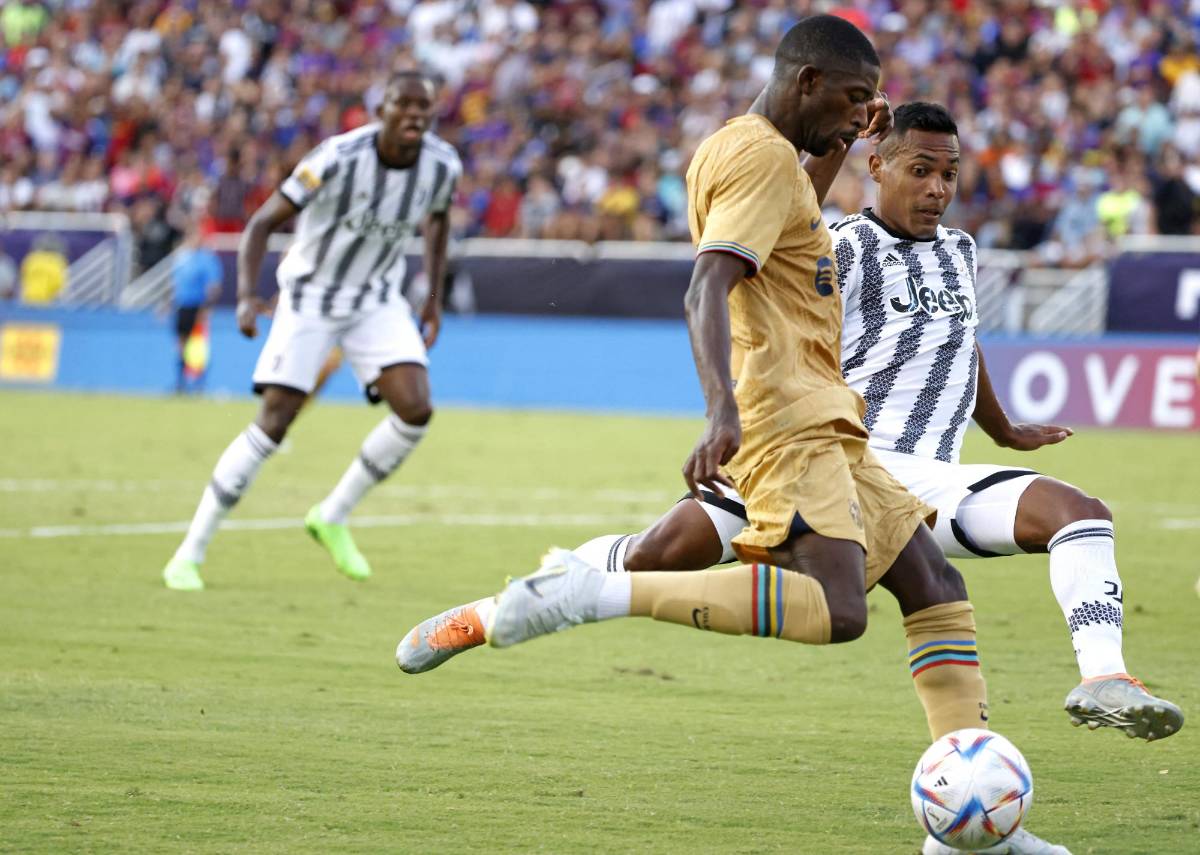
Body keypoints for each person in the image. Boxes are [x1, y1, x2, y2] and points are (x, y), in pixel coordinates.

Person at [397, 22, 1068, 855]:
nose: (866, 120)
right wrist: (722, 409)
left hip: (827, 415)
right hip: (787, 415)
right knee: (836, 610)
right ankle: (589, 592)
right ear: (809, 80)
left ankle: (983, 837)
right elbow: (707, 285)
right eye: (855, 100)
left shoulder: (770, 158)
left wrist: (838, 145)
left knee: (933, 585)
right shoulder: (755, 158)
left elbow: (794, 216)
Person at [161, 70, 462, 591]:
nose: (415, 114)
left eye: (424, 107)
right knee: (275, 421)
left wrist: (432, 299)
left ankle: (333, 515)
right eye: (403, 104)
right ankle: (189, 552)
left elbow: (437, 223)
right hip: (310, 298)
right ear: (382, 110)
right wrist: (247, 296)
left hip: (376, 299)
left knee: (416, 410)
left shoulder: (442, 166)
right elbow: (261, 222)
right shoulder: (337, 158)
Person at [169, 221, 222, 393]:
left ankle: (199, 384)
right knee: (181, 345)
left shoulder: (207, 259)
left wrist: (206, 308)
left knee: (198, 347)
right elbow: (175, 284)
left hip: (198, 307)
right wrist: (168, 304)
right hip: (181, 306)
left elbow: (213, 286)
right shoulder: (181, 257)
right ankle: (180, 383)